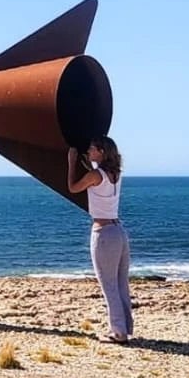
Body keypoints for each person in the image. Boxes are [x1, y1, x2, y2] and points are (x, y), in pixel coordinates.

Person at [67, 136, 131, 343]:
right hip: (119, 231)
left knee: (108, 284)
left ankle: (119, 333)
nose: (89, 151)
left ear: (101, 152)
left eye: (92, 149)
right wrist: (89, 165)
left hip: (104, 233)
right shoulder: (115, 173)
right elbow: (99, 180)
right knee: (121, 282)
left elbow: (73, 187)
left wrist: (71, 163)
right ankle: (124, 327)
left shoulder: (95, 175)